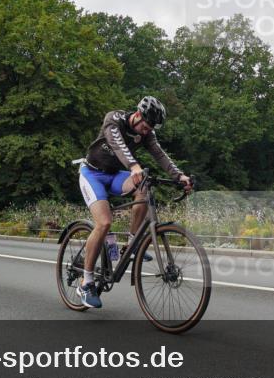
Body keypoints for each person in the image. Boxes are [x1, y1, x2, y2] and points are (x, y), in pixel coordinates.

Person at [75, 96, 192, 309]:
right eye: (145, 127)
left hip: (113, 174)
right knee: (104, 223)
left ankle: (132, 243)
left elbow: (159, 154)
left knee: (144, 188)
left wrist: (179, 175)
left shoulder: (147, 133)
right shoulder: (114, 119)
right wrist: (133, 165)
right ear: (137, 115)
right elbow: (118, 144)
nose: (146, 131)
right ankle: (86, 282)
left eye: (150, 129)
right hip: (91, 174)